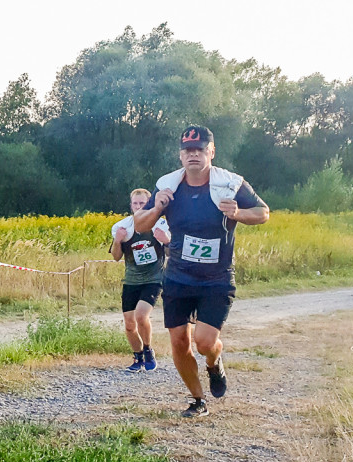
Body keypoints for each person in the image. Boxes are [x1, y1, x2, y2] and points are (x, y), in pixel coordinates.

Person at [134, 126, 269, 418]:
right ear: (181, 155)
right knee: (179, 341)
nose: (193, 154)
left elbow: (263, 213)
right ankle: (197, 400)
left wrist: (238, 214)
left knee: (205, 342)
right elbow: (140, 224)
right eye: (187, 150)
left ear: (211, 152)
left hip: (216, 278)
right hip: (178, 277)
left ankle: (213, 362)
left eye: (199, 149)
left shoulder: (230, 184)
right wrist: (157, 208)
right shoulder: (168, 185)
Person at [110, 189, 170, 372]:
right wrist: (118, 241)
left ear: (149, 204)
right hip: (131, 280)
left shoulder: (160, 225)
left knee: (141, 316)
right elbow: (116, 257)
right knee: (129, 325)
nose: (138, 207)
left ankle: (148, 349)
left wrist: (166, 241)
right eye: (135, 204)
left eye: (142, 204)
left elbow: (171, 253)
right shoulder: (122, 227)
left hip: (153, 278)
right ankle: (138, 357)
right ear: (131, 205)